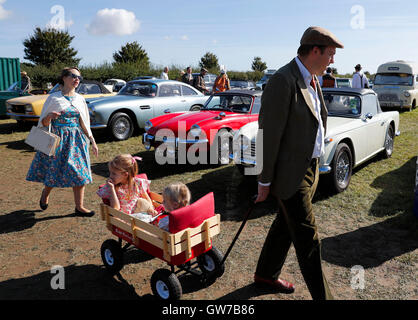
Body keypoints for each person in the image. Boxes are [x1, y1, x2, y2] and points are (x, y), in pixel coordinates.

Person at [254, 26, 343, 300]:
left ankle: (265, 274)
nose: (332, 60)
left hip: (311, 169)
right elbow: (267, 135)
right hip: (290, 176)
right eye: (330, 54)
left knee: (285, 224)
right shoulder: (284, 79)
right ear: (314, 50)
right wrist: (264, 181)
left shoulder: (312, 78)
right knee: (308, 239)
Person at [26, 67, 99, 216]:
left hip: (77, 141)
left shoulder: (80, 99)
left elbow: (83, 121)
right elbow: (43, 123)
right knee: (55, 170)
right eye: (73, 76)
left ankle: (79, 207)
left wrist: (92, 140)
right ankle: (45, 194)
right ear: (64, 78)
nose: (77, 79)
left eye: (79, 77)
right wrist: (50, 116)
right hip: (58, 140)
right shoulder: (54, 98)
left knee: (80, 173)